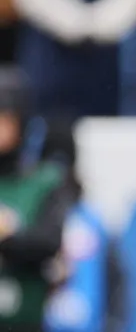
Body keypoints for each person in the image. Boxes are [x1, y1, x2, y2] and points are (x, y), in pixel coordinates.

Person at [0, 66, 75, 332]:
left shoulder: (44, 181)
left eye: (4, 119)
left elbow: (49, 240)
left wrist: (8, 235)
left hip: (25, 317)